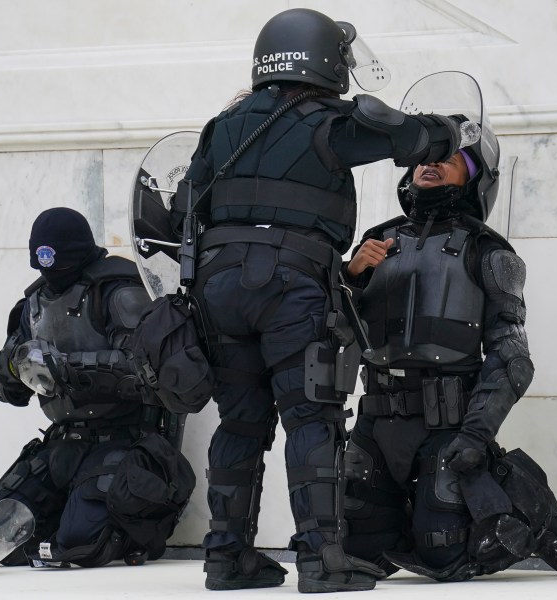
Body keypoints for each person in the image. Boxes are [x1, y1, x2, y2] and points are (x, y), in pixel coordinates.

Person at [169, 8, 464, 593]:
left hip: (220, 285)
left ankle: (226, 560)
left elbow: (185, 203)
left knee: (240, 423)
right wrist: (448, 129)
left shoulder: (223, 124)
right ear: (326, 59)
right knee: (311, 416)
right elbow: (419, 139)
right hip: (290, 281)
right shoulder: (329, 121)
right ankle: (321, 562)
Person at [341, 132, 557, 581]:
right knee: (358, 553)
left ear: (475, 177)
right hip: (376, 423)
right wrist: (351, 277)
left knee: (444, 558)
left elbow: (512, 358)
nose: (430, 164)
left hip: (447, 427)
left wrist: (474, 437)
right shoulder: (375, 243)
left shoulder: (488, 251)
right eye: (425, 156)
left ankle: (533, 513)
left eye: (449, 158)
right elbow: (330, 329)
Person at [0, 207, 192, 569]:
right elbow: (9, 388)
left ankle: (112, 526)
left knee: (82, 545)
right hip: (62, 442)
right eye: (42, 262)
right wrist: (11, 371)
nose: (51, 272)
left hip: (121, 438)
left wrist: (69, 368)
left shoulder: (116, 291)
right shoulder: (34, 303)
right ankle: (60, 514)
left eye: (57, 262)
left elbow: (146, 370)